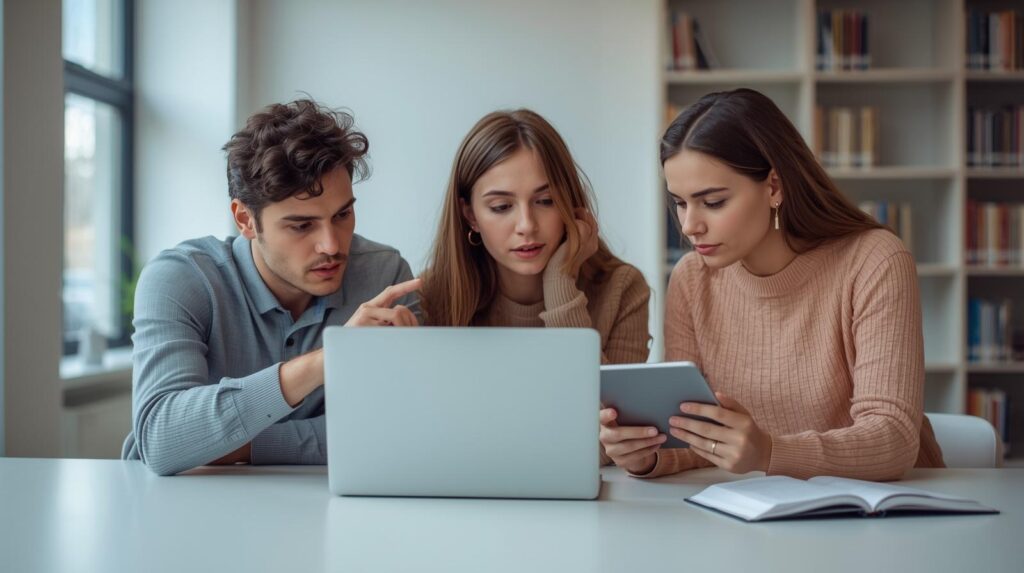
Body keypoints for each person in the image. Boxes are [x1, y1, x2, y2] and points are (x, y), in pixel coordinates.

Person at [600, 88, 944, 480]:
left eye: (712, 202)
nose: (689, 225)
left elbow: (893, 440)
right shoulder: (692, 279)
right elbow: (701, 441)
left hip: (892, 513)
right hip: (765, 513)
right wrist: (647, 454)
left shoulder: (875, 261)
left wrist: (769, 452)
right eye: (680, 202)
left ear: (774, 187)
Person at [122, 99, 419, 476]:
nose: (332, 245)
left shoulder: (385, 277)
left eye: (342, 215)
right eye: (301, 226)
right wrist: (331, 356)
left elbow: (398, 431)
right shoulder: (181, 279)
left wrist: (233, 446)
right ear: (245, 219)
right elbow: (162, 440)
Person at [419, 109, 651, 365]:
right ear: (470, 215)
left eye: (545, 201)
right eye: (501, 207)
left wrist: (559, 281)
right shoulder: (432, 295)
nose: (527, 225)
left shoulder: (621, 289)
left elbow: (611, 404)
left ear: (569, 202)